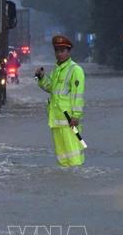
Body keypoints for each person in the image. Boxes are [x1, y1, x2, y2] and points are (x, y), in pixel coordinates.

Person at [35, 35, 86, 167]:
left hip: (70, 121)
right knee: (62, 159)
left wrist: (76, 116)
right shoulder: (57, 70)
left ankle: (77, 183)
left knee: (75, 158)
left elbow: (77, 95)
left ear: (69, 52)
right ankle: (65, 184)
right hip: (56, 121)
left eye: (63, 51)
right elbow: (50, 87)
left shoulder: (76, 70)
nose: (59, 54)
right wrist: (41, 78)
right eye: (57, 51)